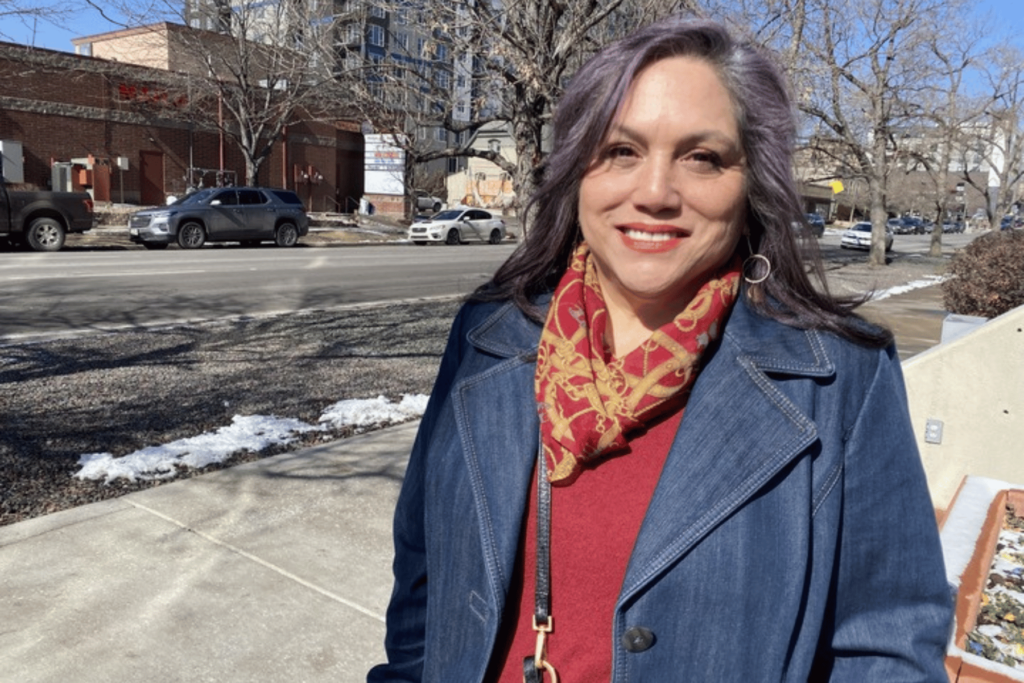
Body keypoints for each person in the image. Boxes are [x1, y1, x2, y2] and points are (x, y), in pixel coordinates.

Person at [368, 17, 952, 683]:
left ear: (751, 182)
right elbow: (421, 582)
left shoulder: (842, 376)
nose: (654, 193)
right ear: (576, 173)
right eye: (620, 150)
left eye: (702, 157)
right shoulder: (487, 335)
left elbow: (890, 644)